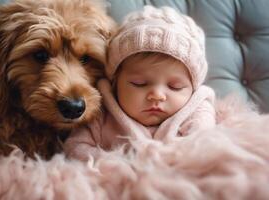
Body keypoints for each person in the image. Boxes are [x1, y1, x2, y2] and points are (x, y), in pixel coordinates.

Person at [64, 5, 216, 161]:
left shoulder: (196, 112)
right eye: (139, 83)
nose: (157, 95)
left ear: (193, 89)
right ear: (115, 82)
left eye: (174, 87)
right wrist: (117, 163)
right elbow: (74, 148)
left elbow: (202, 147)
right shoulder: (103, 114)